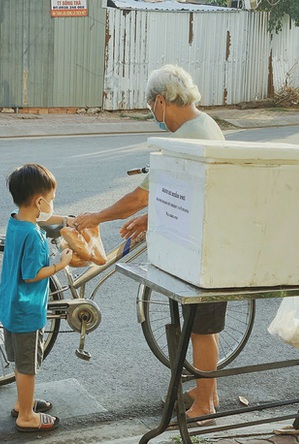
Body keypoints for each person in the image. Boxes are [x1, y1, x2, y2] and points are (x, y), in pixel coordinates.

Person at [74, 64, 225, 425]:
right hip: (200, 236)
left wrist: (96, 217)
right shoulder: (202, 125)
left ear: (160, 100)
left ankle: (205, 405)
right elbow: (184, 190)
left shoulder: (189, 136)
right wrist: (151, 219)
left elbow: (140, 197)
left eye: (150, 107)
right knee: (196, 323)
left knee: (202, 328)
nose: (153, 115)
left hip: (206, 245)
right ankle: (208, 391)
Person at [0, 163, 73, 433]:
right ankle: (26, 416)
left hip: (11, 305)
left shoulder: (16, 222)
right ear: (39, 201)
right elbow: (31, 274)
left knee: (21, 361)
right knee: (28, 366)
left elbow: (43, 222)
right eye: (51, 201)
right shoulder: (32, 234)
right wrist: (59, 266)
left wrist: (65, 220)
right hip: (27, 310)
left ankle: (23, 402)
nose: (52, 205)